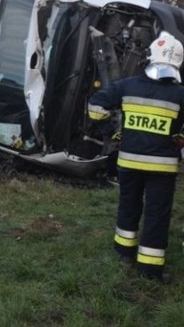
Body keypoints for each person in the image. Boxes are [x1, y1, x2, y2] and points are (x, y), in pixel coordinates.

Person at [88, 31, 184, 283]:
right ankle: (150, 269)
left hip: (128, 162)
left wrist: (114, 129)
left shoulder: (126, 86)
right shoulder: (180, 94)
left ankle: (124, 252)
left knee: (128, 206)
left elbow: (96, 107)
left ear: (149, 57)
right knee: (157, 214)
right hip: (162, 168)